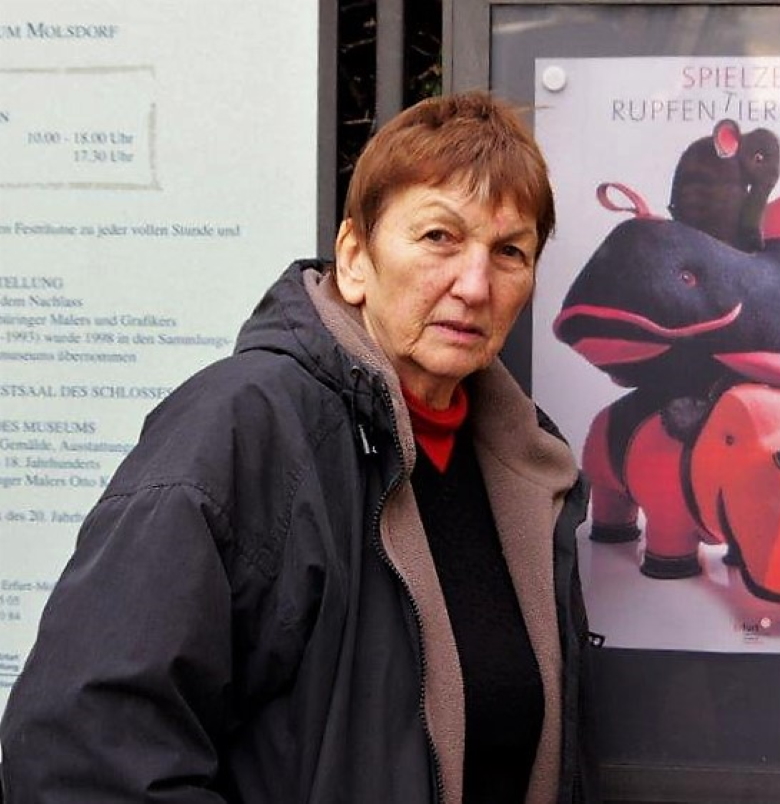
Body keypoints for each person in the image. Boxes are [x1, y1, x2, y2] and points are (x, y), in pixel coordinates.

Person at [0, 91, 597, 803]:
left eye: (509, 252)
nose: (474, 285)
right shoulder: (244, 428)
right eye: (439, 237)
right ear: (354, 258)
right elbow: (84, 753)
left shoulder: (521, 469)